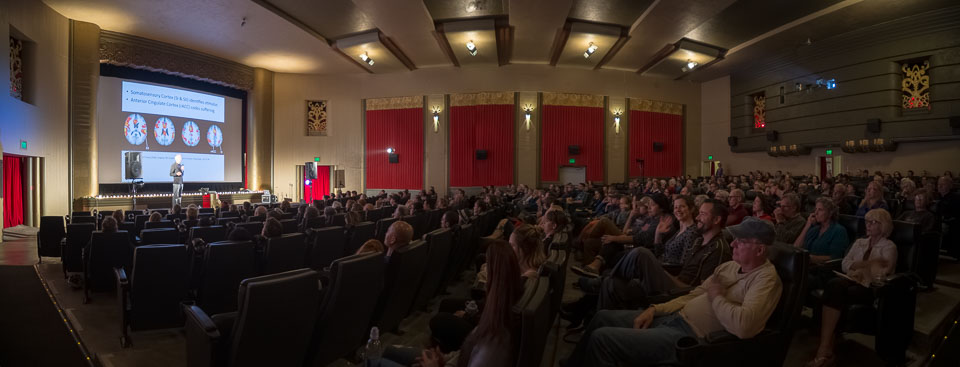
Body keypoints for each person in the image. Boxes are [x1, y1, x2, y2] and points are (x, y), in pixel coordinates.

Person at [563, 216, 782, 367]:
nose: (733, 244)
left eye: (740, 241)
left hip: (691, 338)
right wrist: (655, 309)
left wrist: (716, 296)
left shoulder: (766, 280)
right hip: (673, 318)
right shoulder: (730, 266)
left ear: (760, 249)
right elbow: (693, 295)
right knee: (603, 317)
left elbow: (745, 327)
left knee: (603, 339)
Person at [807, 208, 897, 367]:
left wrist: (859, 268)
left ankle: (824, 349)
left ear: (883, 225)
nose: (868, 225)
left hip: (870, 288)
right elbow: (844, 263)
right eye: (867, 221)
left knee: (835, 288)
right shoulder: (860, 242)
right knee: (834, 285)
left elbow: (882, 273)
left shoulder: (889, 247)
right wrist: (866, 265)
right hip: (850, 280)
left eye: (873, 222)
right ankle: (826, 348)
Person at [794, 197, 849, 264]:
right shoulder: (814, 229)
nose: (816, 213)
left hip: (821, 269)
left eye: (820, 210)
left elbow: (835, 257)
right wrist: (807, 226)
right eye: (815, 209)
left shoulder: (839, 231)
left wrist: (809, 258)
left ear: (830, 213)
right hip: (804, 265)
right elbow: (796, 247)